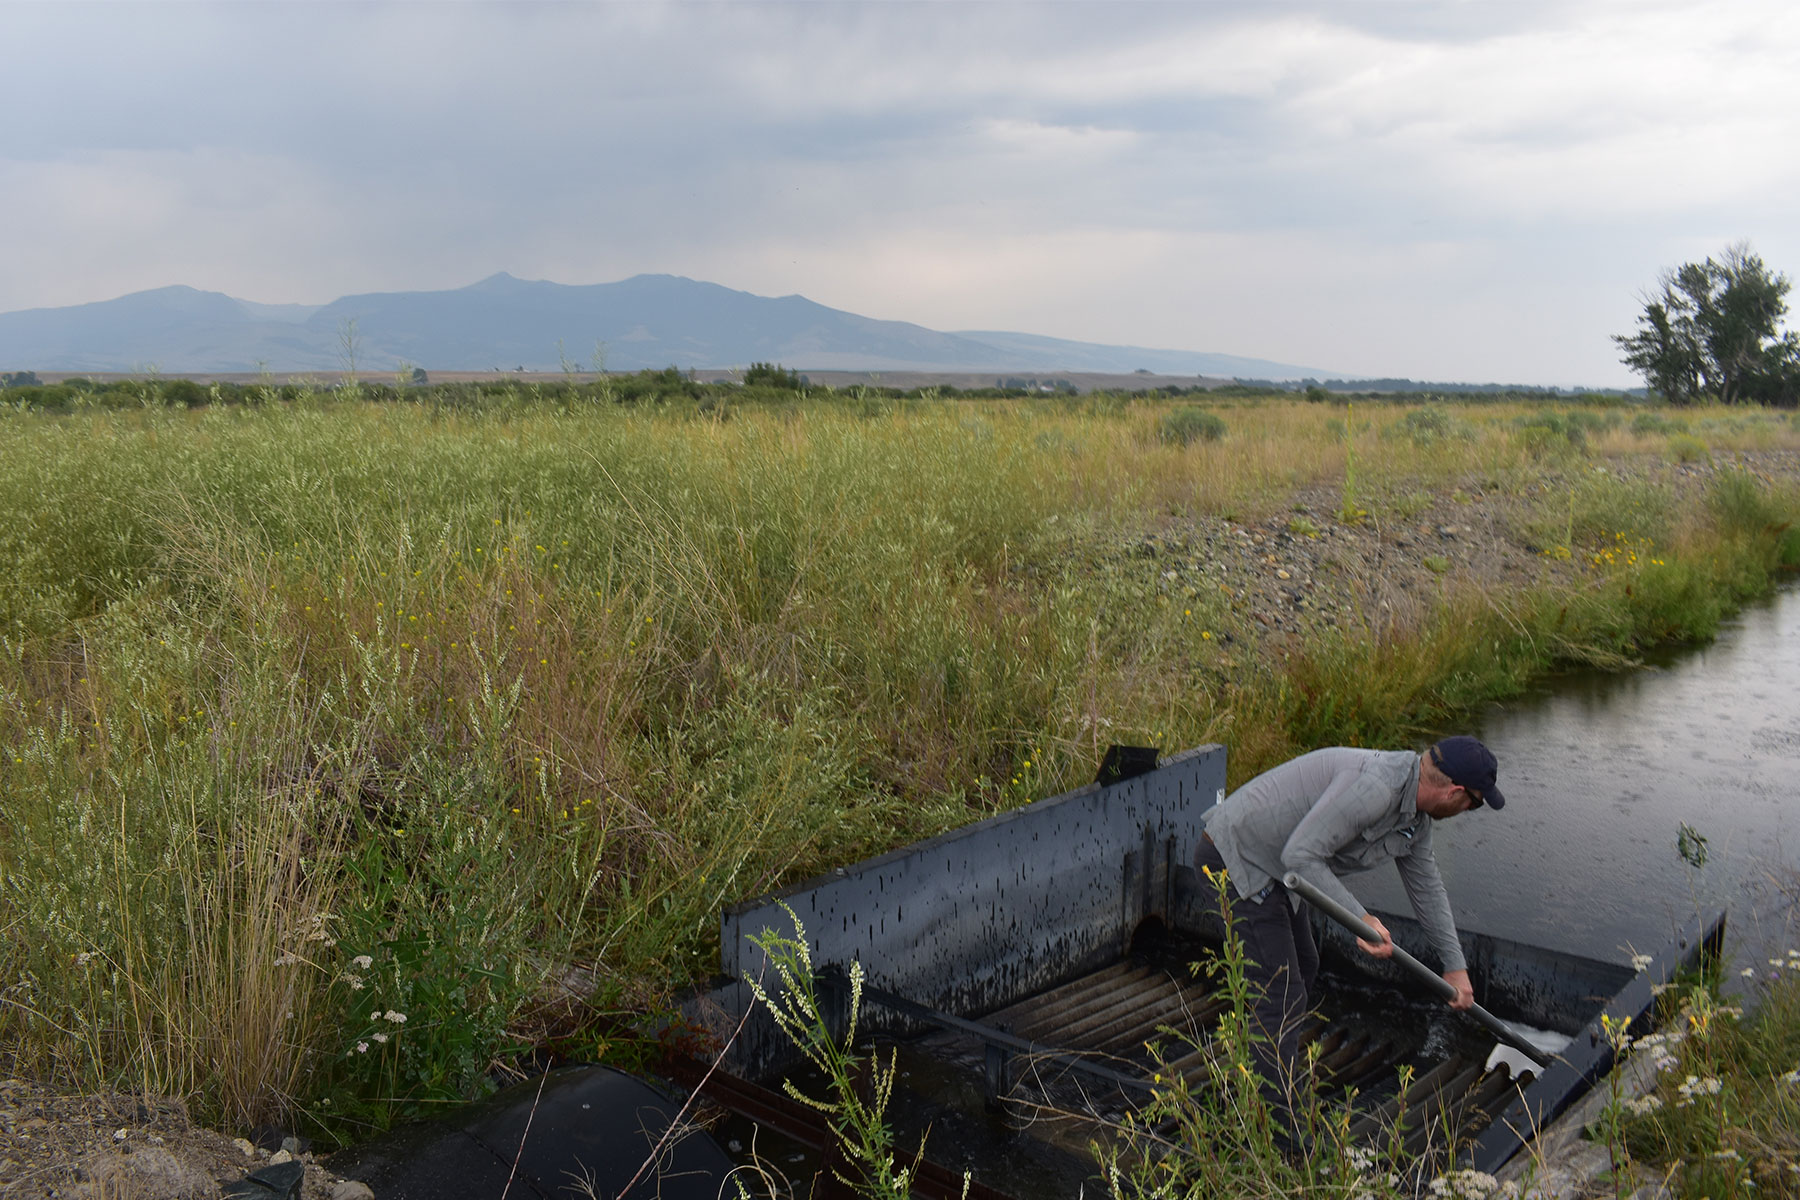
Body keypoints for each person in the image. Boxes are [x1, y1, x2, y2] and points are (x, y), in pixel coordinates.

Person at [1193, 735, 1505, 1126]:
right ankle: (1274, 1123)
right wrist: (1360, 917)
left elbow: (1426, 888)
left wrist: (1455, 965)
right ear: (1455, 793)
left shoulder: (1414, 818)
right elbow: (1301, 856)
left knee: (1304, 964)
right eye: (1474, 803)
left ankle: (1261, 1075)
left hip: (1274, 869)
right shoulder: (1378, 787)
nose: (1469, 809)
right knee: (1281, 989)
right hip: (1236, 857)